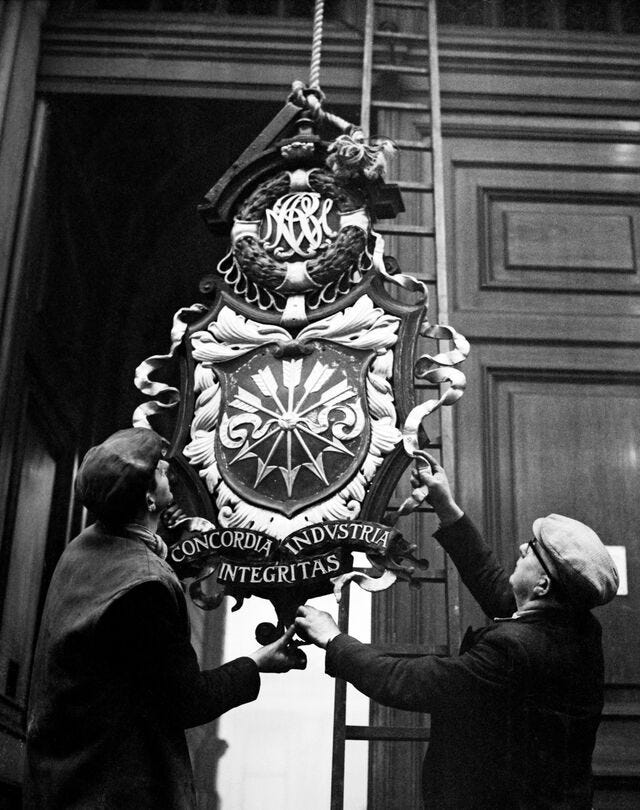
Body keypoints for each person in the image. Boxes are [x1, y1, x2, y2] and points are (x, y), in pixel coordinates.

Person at [295, 452, 619, 809]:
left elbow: (408, 681)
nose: (522, 548)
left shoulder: (514, 651)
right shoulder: (575, 627)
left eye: (532, 550)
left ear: (542, 584)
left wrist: (332, 638)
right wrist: (445, 506)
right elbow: (498, 591)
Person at [24, 427, 304, 810]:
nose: (168, 471)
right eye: (158, 470)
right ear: (148, 498)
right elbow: (187, 702)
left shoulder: (83, 547)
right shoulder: (146, 584)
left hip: (61, 783)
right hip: (111, 794)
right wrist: (256, 664)